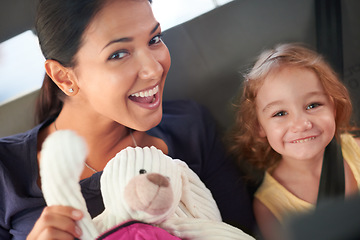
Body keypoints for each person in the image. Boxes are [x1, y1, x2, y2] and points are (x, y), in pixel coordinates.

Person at [0, 0, 256, 239]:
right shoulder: (6, 172)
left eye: (154, 39)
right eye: (118, 54)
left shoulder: (191, 128)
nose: (154, 69)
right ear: (65, 77)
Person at [227, 43, 360, 239]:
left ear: (333, 107)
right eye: (280, 113)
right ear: (259, 127)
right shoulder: (269, 206)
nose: (301, 124)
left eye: (313, 105)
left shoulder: (356, 150)